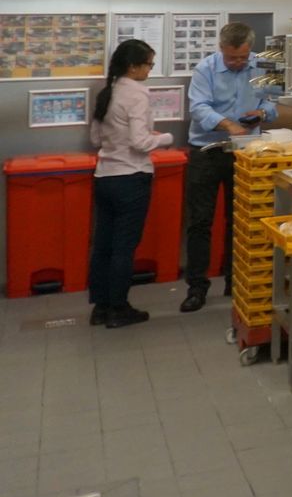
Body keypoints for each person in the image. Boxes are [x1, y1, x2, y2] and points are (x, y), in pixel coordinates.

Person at [182, 21, 278, 313]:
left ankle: (235, 280)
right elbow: (199, 108)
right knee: (200, 221)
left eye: (242, 57)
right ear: (221, 48)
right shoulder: (205, 69)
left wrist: (262, 112)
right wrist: (227, 125)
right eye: (231, 57)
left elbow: (273, 102)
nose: (237, 62)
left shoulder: (261, 66)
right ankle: (196, 287)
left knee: (240, 219)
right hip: (207, 151)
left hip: (246, 151)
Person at [88, 39, 172, 328]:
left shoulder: (107, 91)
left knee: (103, 245)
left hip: (104, 177)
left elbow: (95, 139)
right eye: (148, 64)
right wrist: (165, 138)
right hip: (131, 178)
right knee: (124, 247)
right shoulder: (136, 94)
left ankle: (100, 307)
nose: (149, 70)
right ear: (133, 67)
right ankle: (118, 308)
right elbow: (139, 142)